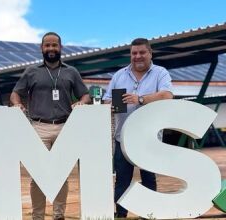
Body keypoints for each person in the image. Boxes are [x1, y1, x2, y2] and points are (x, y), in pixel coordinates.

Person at [10, 32, 91, 220]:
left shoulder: (71, 72)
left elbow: (85, 95)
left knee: (60, 175)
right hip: (39, 128)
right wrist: (16, 104)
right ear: (41, 48)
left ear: (60, 48)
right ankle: (38, 216)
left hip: (65, 127)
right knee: (38, 176)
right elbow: (16, 93)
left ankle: (58, 214)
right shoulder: (31, 71)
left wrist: (82, 102)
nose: (51, 49)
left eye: (54, 45)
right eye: (47, 45)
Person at [102, 38, 173, 218]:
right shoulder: (119, 75)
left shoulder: (160, 73)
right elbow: (106, 99)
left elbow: (167, 96)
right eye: (134, 53)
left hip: (148, 139)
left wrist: (140, 99)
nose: (138, 56)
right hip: (123, 138)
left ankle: (148, 213)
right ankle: (120, 214)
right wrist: (110, 105)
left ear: (150, 53)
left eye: (142, 52)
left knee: (149, 179)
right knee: (121, 181)